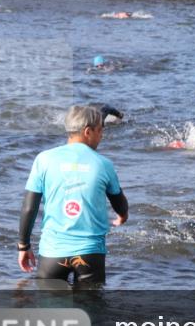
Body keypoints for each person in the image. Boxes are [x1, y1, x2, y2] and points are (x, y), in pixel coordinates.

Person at [18, 105, 129, 286]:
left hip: (52, 254)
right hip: (90, 254)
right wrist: (123, 216)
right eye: (100, 131)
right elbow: (120, 204)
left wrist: (23, 245)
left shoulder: (44, 159)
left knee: (50, 310)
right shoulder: (104, 164)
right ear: (88, 132)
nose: (102, 136)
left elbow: (29, 207)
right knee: (90, 311)